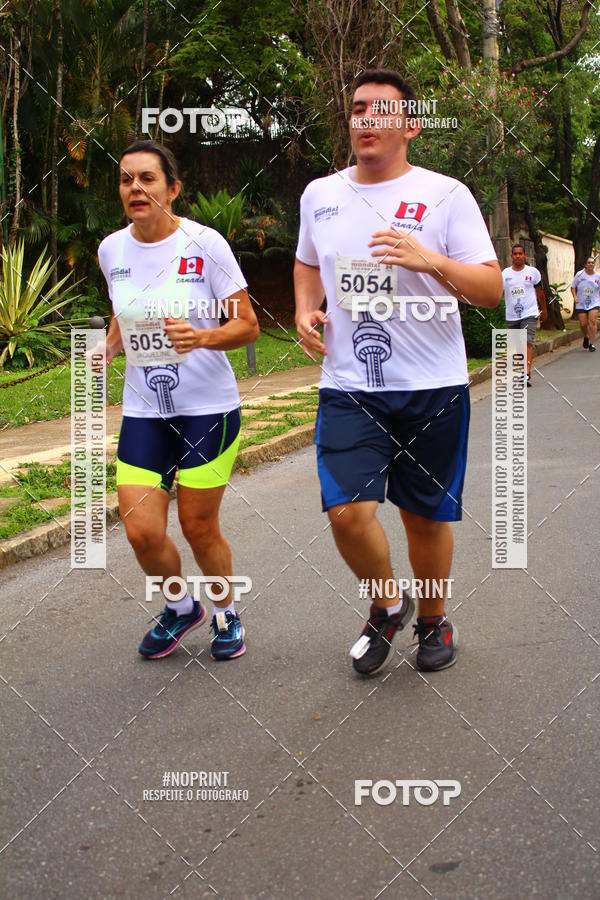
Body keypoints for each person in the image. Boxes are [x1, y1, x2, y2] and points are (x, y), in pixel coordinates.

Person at [294, 69, 502, 676]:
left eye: (381, 111)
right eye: (357, 110)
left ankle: (434, 618)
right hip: (349, 385)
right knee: (346, 512)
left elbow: (489, 289)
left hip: (431, 385)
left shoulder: (447, 194)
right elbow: (307, 264)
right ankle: (388, 604)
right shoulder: (320, 194)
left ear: (410, 125)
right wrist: (307, 309)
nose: (366, 120)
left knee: (423, 514)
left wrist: (428, 258)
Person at [96, 140, 259, 660]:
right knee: (141, 531)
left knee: (196, 524)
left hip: (207, 407)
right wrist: (109, 345)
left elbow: (248, 326)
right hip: (146, 408)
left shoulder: (205, 244)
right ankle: (181, 606)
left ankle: (226, 611)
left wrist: (202, 337)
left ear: (173, 188)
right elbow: (125, 311)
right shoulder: (111, 250)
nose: (136, 188)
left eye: (147, 178)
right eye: (126, 179)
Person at [501, 244, 548, 385]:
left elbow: (540, 291)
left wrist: (544, 309)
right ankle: (522, 370)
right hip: (512, 314)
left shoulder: (533, 272)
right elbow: (499, 292)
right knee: (517, 344)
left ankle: (526, 373)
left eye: (520, 253)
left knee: (526, 340)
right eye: (515, 254)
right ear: (511, 256)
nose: (518, 256)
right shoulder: (505, 274)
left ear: (525, 255)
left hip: (530, 312)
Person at [571, 257, 600, 351]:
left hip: (594, 302)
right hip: (581, 302)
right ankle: (586, 337)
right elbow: (573, 287)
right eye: (589, 263)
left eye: (592, 263)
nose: (591, 264)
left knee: (592, 321)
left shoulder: (598, 276)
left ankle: (592, 343)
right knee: (583, 324)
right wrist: (575, 297)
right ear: (585, 264)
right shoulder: (579, 274)